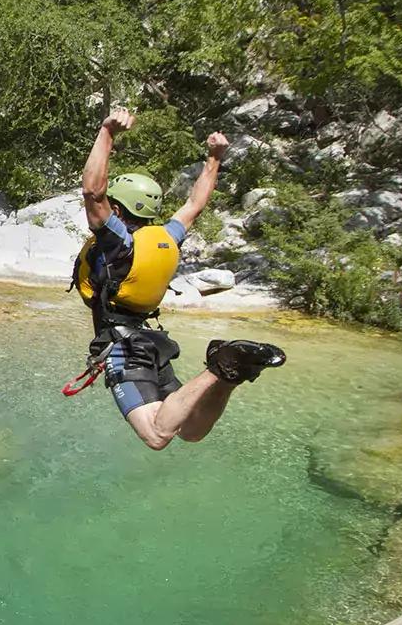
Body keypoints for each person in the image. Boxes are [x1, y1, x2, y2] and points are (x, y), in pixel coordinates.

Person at [75, 108, 285, 450]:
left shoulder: (116, 241)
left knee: (157, 435)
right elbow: (195, 204)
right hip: (150, 341)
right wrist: (214, 157)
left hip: (124, 346)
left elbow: (92, 191)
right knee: (190, 431)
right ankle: (230, 373)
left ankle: (222, 366)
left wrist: (107, 132)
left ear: (117, 209)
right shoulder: (165, 237)